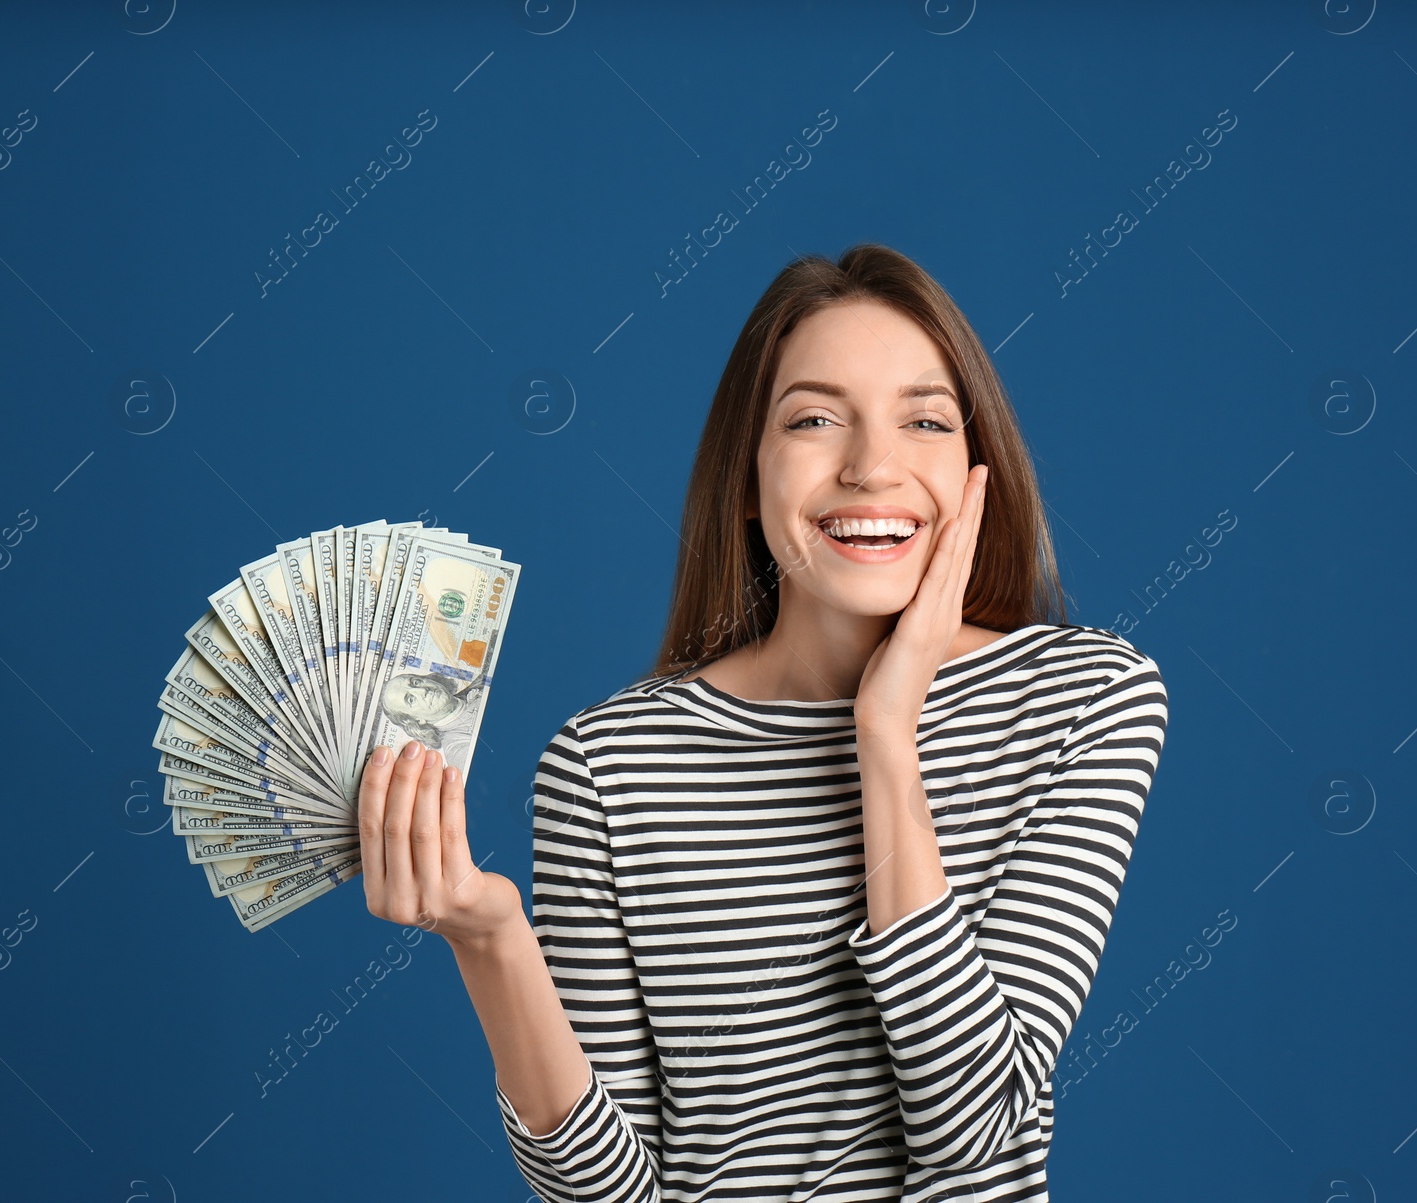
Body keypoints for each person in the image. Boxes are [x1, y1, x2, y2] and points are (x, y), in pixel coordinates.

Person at [357, 244, 1169, 1201]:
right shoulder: (608, 766)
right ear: (746, 479)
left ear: (975, 469)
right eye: (816, 419)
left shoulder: (1086, 698)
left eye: (924, 420)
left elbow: (973, 1128)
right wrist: (491, 940)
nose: (873, 466)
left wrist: (886, 731)